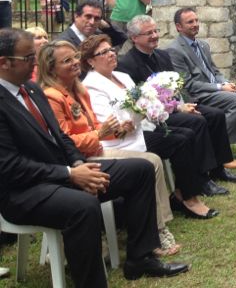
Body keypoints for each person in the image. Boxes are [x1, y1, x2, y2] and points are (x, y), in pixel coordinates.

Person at [0, 28, 189, 286]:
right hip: (24, 191)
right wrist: (69, 174)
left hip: (62, 171)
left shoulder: (30, 90)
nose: (35, 62)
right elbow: (10, 167)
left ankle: (140, 258)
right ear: (4, 62)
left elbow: (61, 138)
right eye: (28, 58)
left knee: (141, 170)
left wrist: (78, 165)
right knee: (83, 205)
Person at [39, 40, 181, 256]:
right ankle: (153, 231)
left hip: (95, 150)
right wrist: (100, 133)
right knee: (149, 162)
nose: (75, 63)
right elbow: (64, 142)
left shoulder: (77, 89)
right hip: (77, 162)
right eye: (67, 61)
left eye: (75, 57)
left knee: (152, 159)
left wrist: (116, 130)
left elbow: (94, 125)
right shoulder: (52, 96)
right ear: (52, 69)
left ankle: (157, 227)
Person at [81, 34, 218, 222]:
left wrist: (160, 104)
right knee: (180, 140)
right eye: (104, 52)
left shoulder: (121, 76)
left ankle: (183, 192)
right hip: (120, 142)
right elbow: (111, 123)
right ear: (90, 61)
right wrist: (139, 112)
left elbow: (144, 101)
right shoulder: (91, 86)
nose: (112, 54)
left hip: (139, 130)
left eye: (111, 49)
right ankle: (189, 199)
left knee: (186, 134)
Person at [117, 15, 236, 188]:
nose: (155, 35)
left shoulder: (162, 55)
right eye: (149, 33)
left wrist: (183, 104)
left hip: (176, 105)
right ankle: (201, 179)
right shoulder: (127, 64)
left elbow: (176, 86)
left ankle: (218, 169)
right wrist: (179, 108)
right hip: (155, 115)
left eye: (156, 31)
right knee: (198, 121)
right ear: (134, 38)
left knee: (215, 115)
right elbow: (139, 102)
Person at [167, 7, 236, 155]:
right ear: (179, 27)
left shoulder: (203, 45)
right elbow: (188, 84)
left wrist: (226, 83)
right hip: (199, 94)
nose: (195, 24)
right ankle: (223, 151)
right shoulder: (175, 50)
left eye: (196, 20)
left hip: (217, 89)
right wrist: (220, 87)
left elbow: (215, 71)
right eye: (190, 22)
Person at [57, 0, 128, 49]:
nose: (92, 22)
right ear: (76, 16)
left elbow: (122, 38)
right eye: (88, 16)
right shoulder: (63, 42)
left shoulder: (97, 35)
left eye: (97, 18)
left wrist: (106, 27)